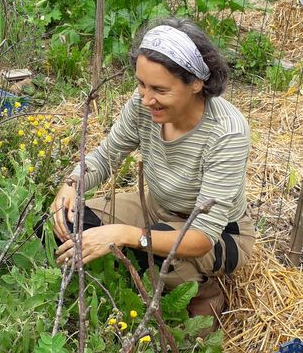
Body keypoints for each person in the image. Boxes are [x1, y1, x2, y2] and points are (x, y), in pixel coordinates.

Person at [51, 17, 255, 322]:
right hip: (157, 208)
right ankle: (114, 296)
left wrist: (123, 234)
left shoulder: (227, 133)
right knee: (72, 221)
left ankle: (204, 295)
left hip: (215, 233)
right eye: (141, 84)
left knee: (156, 253)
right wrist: (71, 183)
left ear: (196, 83)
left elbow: (200, 236)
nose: (146, 99)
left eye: (159, 89)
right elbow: (106, 156)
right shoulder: (144, 104)